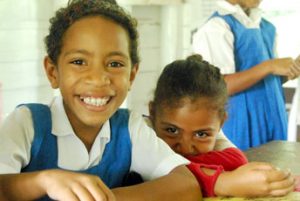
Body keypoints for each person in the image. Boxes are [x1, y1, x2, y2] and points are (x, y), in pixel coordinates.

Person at [0, 1, 202, 200]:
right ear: (53, 72)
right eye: (79, 62)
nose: (97, 79)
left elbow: (186, 184)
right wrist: (44, 182)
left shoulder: (129, 129)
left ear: (131, 75)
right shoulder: (27, 124)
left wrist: (105, 198)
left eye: (115, 64)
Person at [148, 54, 295, 197]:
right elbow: (155, 170)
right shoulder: (137, 132)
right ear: (152, 113)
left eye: (201, 134)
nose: (186, 148)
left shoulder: (210, 126)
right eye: (172, 130)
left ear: (221, 123)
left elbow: (236, 160)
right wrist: (223, 180)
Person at [192, 0, 300, 150]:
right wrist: (269, 66)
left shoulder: (266, 27)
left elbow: (266, 81)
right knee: (245, 167)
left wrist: (292, 70)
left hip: (273, 119)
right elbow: (218, 86)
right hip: (241, 124)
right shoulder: (217, 27)